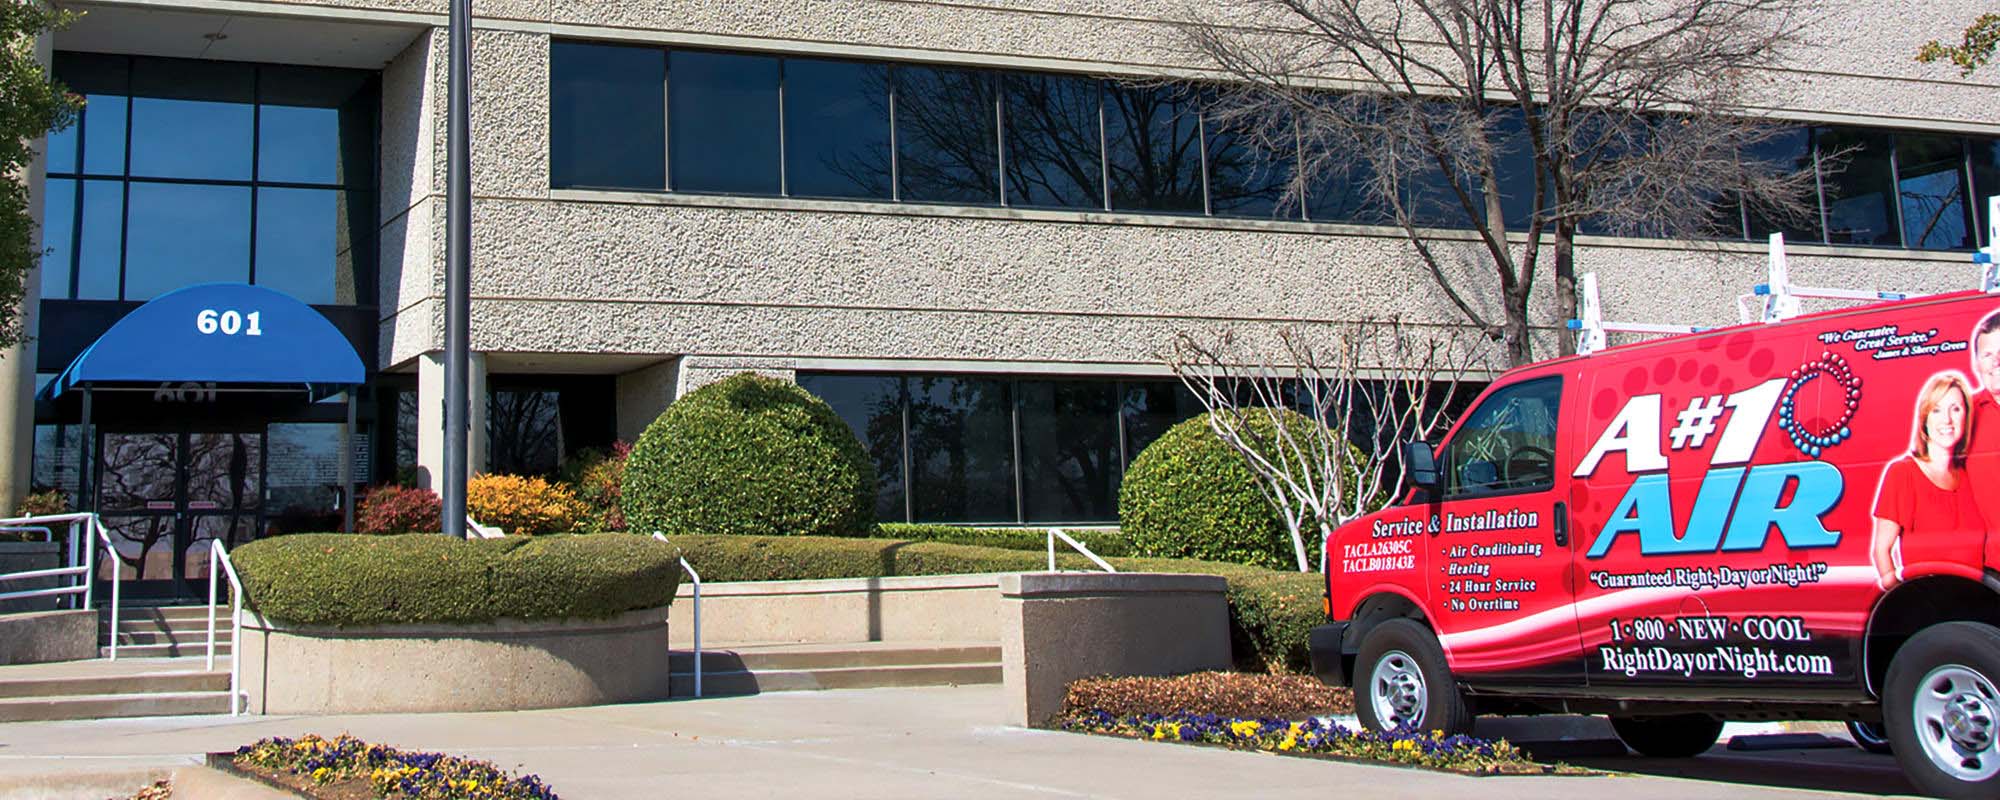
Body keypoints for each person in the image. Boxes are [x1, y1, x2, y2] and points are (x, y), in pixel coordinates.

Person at [1873, 373, 1986, 590]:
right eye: (1936, 410)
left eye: (1955, 409)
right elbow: (1881, 550)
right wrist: (1902, 600)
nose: (1947, 420)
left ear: (1966, 416)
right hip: (1930, 606)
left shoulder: (1969, 474)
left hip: (1976, 602)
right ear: (1925, 418)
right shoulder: (1903, 472)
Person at [1965, 311, 2000, 570]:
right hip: (1993, 567)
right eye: (1987, 355)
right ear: (1976, 363)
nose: (1996, 362)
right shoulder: (1963, 415)